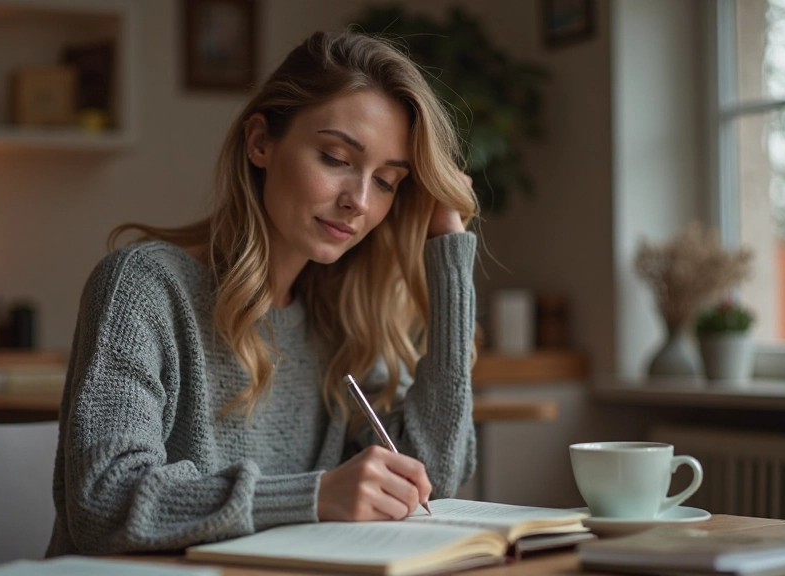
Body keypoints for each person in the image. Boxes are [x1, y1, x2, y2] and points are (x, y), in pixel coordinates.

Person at [47, 29, 479, 556]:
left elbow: (431, 476)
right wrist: (315, 496)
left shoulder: (341, 322)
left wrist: (449, 250)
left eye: (387, 181)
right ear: (260, 142)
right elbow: (102, 502)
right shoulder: (144, 288)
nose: (359, 201)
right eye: (336, 158)